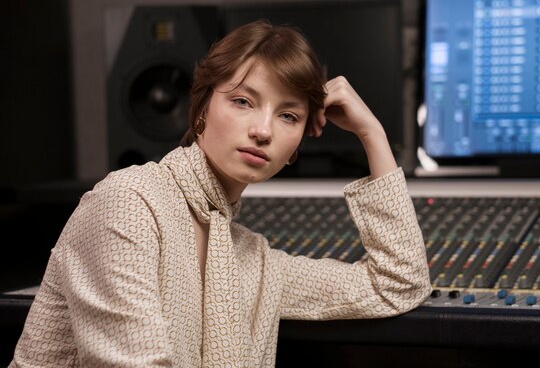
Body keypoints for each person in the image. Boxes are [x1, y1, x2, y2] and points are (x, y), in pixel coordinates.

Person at [10, 19, 431, 367]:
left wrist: (370, 132)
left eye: (287, 115)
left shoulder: (254, 260)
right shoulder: (128, 203)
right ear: (201, 109)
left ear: (295, 148)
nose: (263, 130)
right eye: (243, 101)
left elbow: (398, 284)